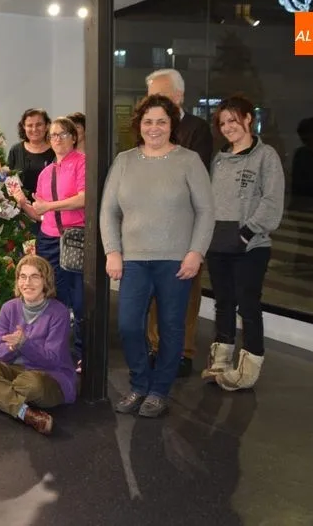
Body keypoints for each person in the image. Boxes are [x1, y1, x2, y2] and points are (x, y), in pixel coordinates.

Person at [100, 94, 214, 418]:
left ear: (172, 124)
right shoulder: (124, 161)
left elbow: (206, 211)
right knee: (128, 327)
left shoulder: (189, 161)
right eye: (148, 121)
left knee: (171, 328)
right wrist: (113, 252)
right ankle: (139, 384)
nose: (154, 127)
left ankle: (159, 390)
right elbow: (108, 212)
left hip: (176, 262)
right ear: (139, 125)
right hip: (134, 259)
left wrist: (195, 253)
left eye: (161, 121)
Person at [202, 95, 284, 391]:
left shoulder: (266, 156)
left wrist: (246, 234)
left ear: (248, 118)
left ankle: (248, 370)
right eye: (223, 123)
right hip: (218, 244)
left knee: (248, 305)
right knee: (223, 303)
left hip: (251, 247)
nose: (228, 127)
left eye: (233, 120)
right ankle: (220, 362)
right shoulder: (219, 160)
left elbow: (272, 201)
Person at [144, 69, 215, 376]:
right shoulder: (149, 130)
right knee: (153, 292)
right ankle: (156, 347)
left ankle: (184, 351)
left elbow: (191, 180)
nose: (154, 103)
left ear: (179, 96)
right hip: (150, 225)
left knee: (185, 291)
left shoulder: (196, 129)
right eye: (150, 98)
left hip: (184, 226)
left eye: (159, 96)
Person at [0, 256, 75, 435]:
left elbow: (52, 360)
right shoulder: (8, 308)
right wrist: (11, 348)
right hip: (16, 370)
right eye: (22, 276)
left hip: (49, 377)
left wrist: (24, 344)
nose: (28, 282)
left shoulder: (59, 313)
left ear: (46, 281)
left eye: (35, 276)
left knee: (32, 384)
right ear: (17, 280)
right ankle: (25, 413)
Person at [14, 117, 86, 368]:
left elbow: (83, 198)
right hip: (48, 240)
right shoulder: (46, 172)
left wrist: (49, 206)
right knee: (52, 299)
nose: (57, 139)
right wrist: (23, 202)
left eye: (62, 134)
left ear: (74, 137)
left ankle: (80, 352)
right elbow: (39, 212)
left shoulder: (82, 163)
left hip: (74, 239)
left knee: (79, 300)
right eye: (53, 135)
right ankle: (53, 349)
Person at [7, 108, 55, 199]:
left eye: (39, 124)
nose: (34, 129)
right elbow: (10, 180)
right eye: (29, 125)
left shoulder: (56, 150)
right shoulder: (15, 150)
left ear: (47, 126)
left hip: (51, 208)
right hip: (21, 209)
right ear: (24, 127)